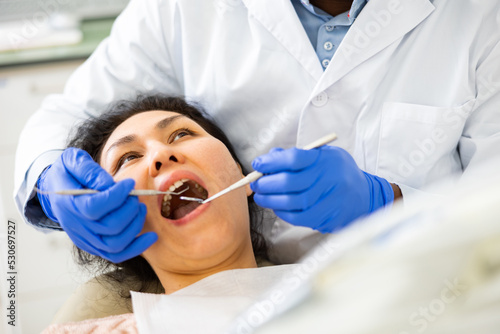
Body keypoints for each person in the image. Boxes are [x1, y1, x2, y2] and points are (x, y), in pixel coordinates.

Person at [15, 0, 500, 264]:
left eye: (182, 135)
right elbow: (64, 117)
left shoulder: (481, 17)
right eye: (130, 159)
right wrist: (50, 181)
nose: (160, 159)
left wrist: (388, 203)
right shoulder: (178, 11)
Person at [43, 95, 287, 333]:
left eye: (181, 134)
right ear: (112, 222)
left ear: (241, 175)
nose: (161, 154)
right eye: (129, 158)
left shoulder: (325, 283)